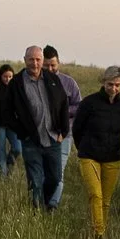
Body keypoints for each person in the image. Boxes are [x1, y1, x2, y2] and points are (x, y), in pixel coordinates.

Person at [0, 44, 72, 210]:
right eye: (31, 60)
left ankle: (43, 202)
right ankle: (35, 211)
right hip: (31, 142)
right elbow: (7, 112)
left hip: (53, 139)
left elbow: (64, 104)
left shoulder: (52, 80)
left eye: (37, 60)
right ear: (24, 60)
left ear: (42, 61)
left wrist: (63, 132)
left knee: (55, 178)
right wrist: (23, 132)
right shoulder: (16, 83)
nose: (34, 63)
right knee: (35, 180)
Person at [70, 65, 120, 237]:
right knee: (95, 194)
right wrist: (82, 148)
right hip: (89, 155)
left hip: (112, 157)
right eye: (110, 84)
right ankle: (99, 233)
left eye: (117, 85)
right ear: (104, 82)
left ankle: (101, 229)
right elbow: (77, 129)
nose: (113, 88)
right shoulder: (89, 103)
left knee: (106, 199)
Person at [43, 46, 82, 210]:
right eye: (46, 66)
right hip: (42, 133)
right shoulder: (36, 82)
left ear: (58, 62)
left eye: (53, 65)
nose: (50, 69)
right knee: (44, 171)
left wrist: (62, 112)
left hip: (64, 134)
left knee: (58, 170)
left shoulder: (69, 83)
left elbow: (79, 105)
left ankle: (53, 204)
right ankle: (41, 201)